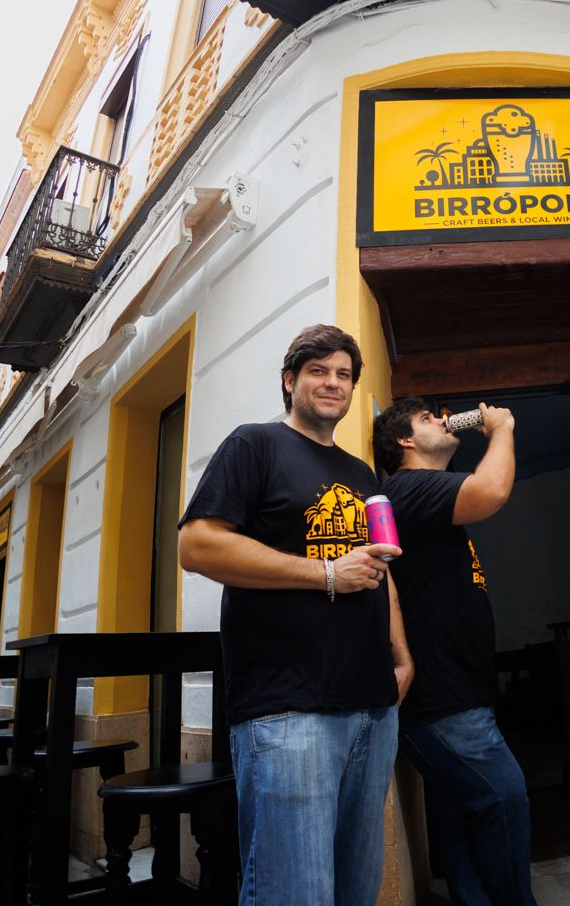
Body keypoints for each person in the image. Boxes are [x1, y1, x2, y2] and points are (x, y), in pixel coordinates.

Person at [178, 325, 412, 906]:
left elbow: (382, 571)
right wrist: (326, 573)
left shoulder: (362, 475)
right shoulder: (253, 444)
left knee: (356, 891)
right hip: (287, 711)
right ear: (290, 381)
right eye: (318, 371)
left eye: (343, 374)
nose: (332, 383)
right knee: (294, 894)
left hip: (371, 707)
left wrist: (402, 659)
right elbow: (197, 546)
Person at [371, 398, 536, 906]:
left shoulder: (426, 494)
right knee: (503, 796)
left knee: (460, 814)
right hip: (442, 697)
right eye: (427, 419)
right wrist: (502, 428)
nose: (442, 421)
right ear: (404, 442)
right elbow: (490, 491)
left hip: (456, 689)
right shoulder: (408, 487)